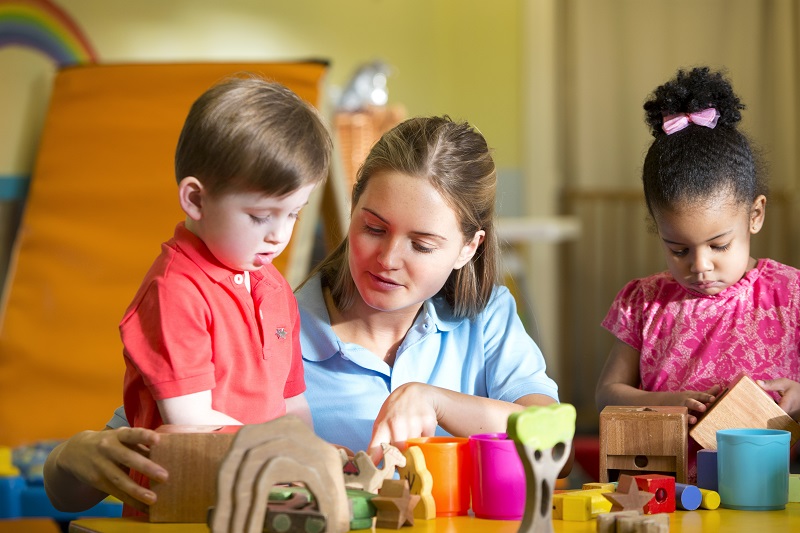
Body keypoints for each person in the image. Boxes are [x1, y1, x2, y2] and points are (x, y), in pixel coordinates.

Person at [44, 116, 562, 513]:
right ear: (351, 209)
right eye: (374, 228)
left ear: (468, 248)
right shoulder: (264, 323)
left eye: (422, 244)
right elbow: (84, 483)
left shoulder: (486, 317)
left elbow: (553, 439)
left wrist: (436, 401)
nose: (386, 259)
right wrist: (74, 457)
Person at [595, 66, 800, 481]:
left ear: (755, 215)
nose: (700, 266)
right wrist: (671, 400)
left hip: (769, 489)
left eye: (719, 246)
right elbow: (606, 396)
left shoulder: (790, 294)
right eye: (678, 249)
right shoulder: (644, 302)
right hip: (665, 489)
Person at [122, 75, 330, 433]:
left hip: (265, 477)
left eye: (294, 213)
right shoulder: (176, 292)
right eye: (260, 216)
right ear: (196, 199)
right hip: (193, 481)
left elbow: (291, 404)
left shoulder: (275, 289)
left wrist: (310, 455)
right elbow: (190, 424)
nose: (279, 236)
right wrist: (283, 453)